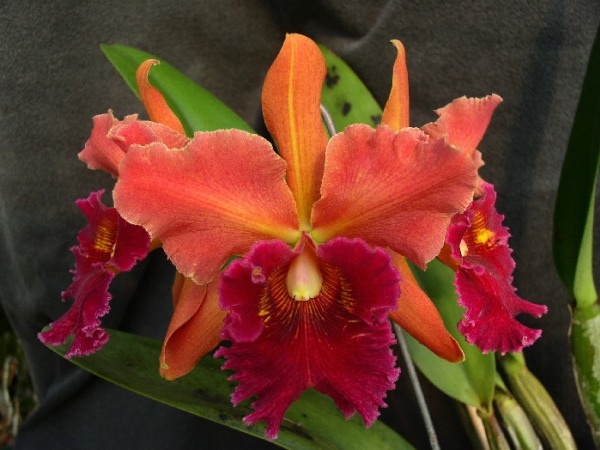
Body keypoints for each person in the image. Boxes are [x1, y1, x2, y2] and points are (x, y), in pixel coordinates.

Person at [1, 1, 598, 448]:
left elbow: (440, 206)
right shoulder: (224, 223)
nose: (305, 284)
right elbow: (177, 351)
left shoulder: (382, 211)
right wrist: (142, 194)